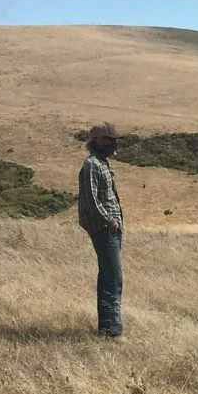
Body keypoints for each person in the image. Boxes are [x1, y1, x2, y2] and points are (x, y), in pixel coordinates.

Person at [77, 123, 125, 337]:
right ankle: (112, 330)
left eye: (113, 139)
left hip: (112, 229)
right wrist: (109, 221)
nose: (113, 143)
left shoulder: (102, 163)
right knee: (113, 278)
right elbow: (90, 200)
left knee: (107, 276)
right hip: (104, 229)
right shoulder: (91, 165)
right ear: (96, 141)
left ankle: (106, 327)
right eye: (108, 139)